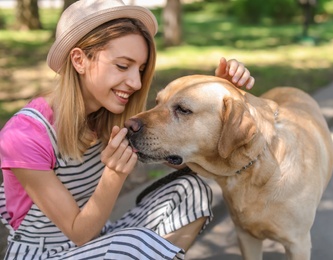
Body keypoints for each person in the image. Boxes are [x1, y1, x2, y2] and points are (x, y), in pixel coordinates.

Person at [0, 0, 255, 259]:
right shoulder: (24, 136)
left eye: (141, 69)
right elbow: (79, 233)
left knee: (190, 192)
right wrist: (114, 174)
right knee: (135, 243)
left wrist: (219, 94)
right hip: (44, 252)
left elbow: (182, 160)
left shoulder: (109, 113)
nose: (135, 82)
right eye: (123, 66)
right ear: (79, 60)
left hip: (100, 238)